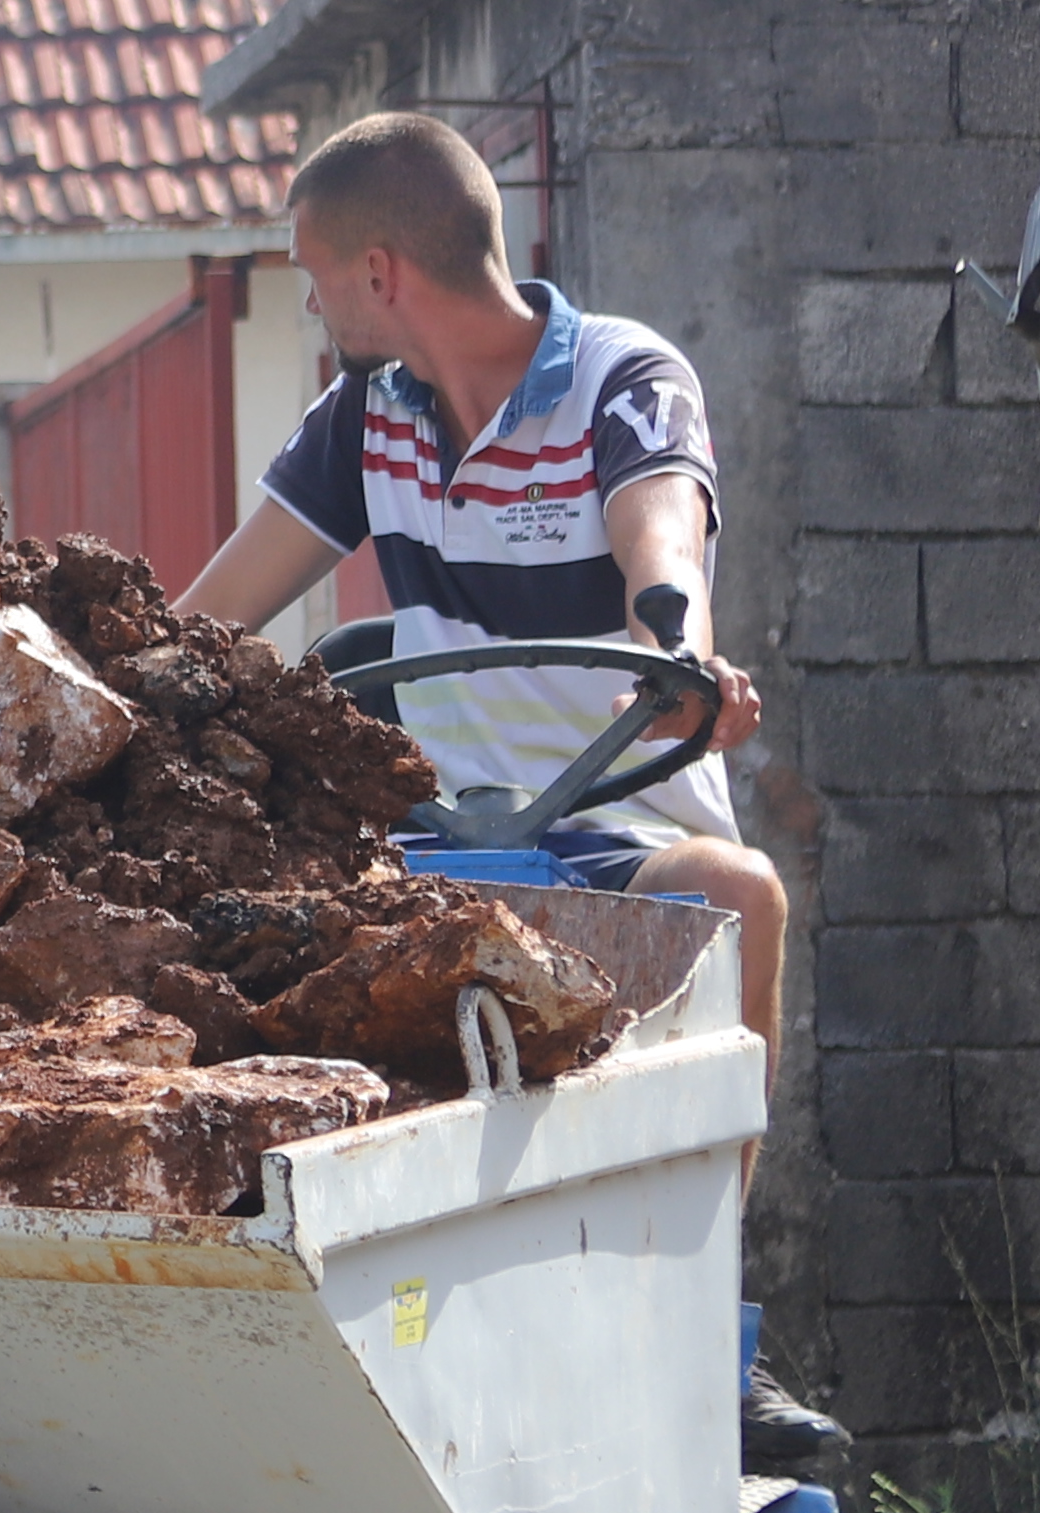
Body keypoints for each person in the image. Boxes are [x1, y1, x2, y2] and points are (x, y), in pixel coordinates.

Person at [174, 111, 788, 1057]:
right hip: (433, 853)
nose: (310, 308)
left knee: (742, 896)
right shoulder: (364, 417)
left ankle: (723, 1210)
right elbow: (207, 621)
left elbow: (662, 546)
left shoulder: (622, 380)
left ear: (378, 275)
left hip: (612, 837)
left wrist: (677, 661)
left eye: (312, 276)